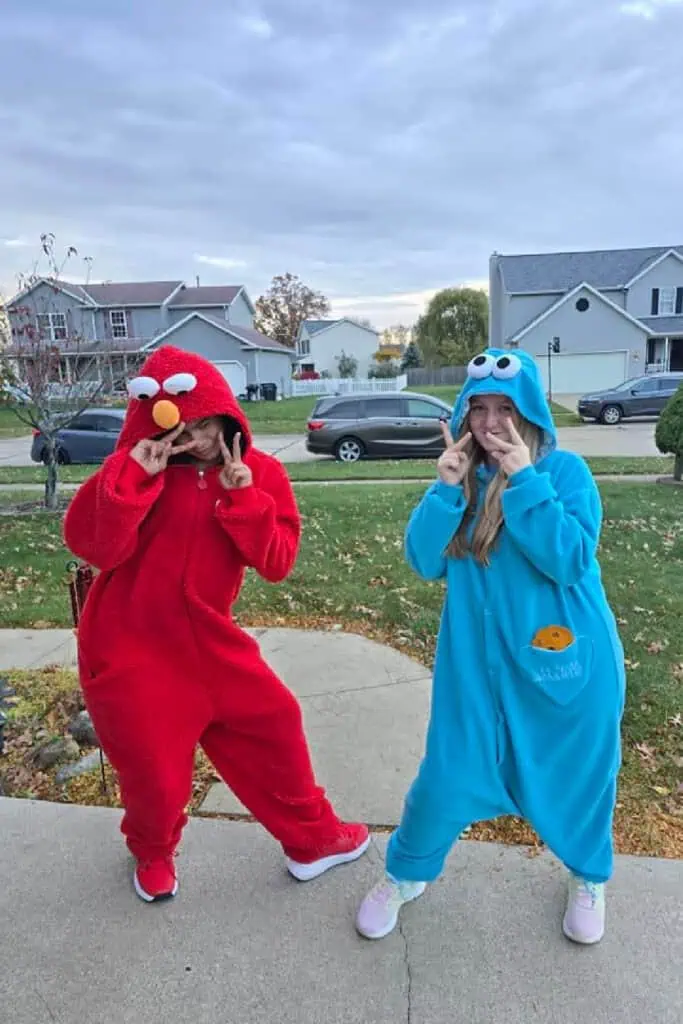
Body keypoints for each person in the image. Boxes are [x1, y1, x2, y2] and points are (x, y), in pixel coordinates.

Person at [63, 345, 368, 903]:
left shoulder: (262, 474)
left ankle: (312, 840)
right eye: (182, 428)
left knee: (275, 721)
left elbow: (276, 564)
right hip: (131, 644)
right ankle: (153, 853)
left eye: (203, 425)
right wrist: (133, 479)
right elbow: (95, 548)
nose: (193, 440)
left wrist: (243, 493)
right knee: (156, 773)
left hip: (210, 640)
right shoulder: (131, 470)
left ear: (224, 416)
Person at [355, 347, 625, 946]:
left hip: (564, 666)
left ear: (527, 407)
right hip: (475, 670)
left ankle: (589, 874)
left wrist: (525, 479)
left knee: (579, 777)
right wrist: (446, 490)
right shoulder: (463, 476)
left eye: (505, 405)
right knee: (446, 778)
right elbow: (425, 561)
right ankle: (405, 875)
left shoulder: (564, 473)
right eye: (479, 406)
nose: (489, 421)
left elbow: (571, 560)